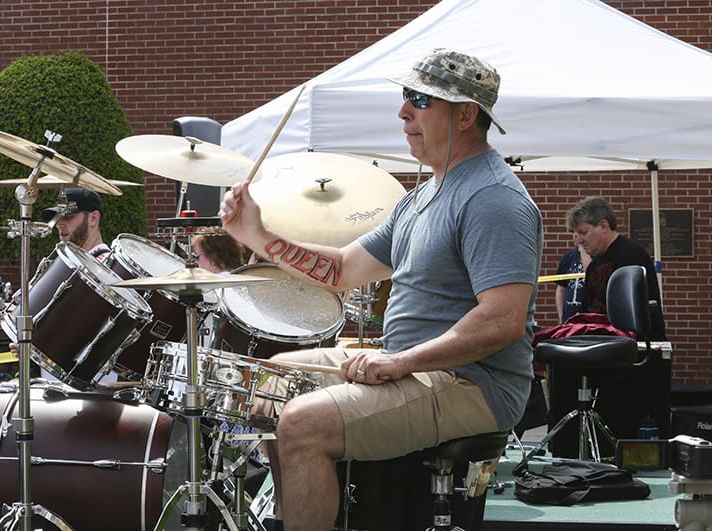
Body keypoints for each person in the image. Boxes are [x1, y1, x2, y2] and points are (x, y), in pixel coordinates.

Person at [219, 48, 543, 530]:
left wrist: (400, 361)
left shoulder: (492, 198)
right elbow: (346, 268)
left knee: (303, 422)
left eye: (419, 99)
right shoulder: (423, 195)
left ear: (466, 114)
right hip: (419, 365)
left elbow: (501, 320)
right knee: (269, 380)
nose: (403, 111)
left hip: (474, 383)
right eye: (405, 97)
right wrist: (259, 237)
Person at [0, 187, 118, 382]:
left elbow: (91, 330)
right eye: (58, 217)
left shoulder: (109, 268)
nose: (59, 223)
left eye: (68, 217)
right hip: (54, 381)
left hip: (93, 384)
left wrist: (39, 343)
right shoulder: (60, 265)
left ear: (93, 219)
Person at [567, 196, 667, 339]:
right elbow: (585, 313)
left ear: (603, 226)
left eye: (583, 232)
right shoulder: (593, 266)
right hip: (603, 344)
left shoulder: (632, 255)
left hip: (630, 348)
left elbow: (635, 316)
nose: (579, 240)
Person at [555, 242, 591, 323]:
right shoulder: (568, 257)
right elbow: (561, 289)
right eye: (573, 232)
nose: (575, 235)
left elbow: (590, 273)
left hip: (589, 321)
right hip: (568, 320)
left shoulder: (597, 255)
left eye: (581, 232)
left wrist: (582, 249)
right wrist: (561, 318)